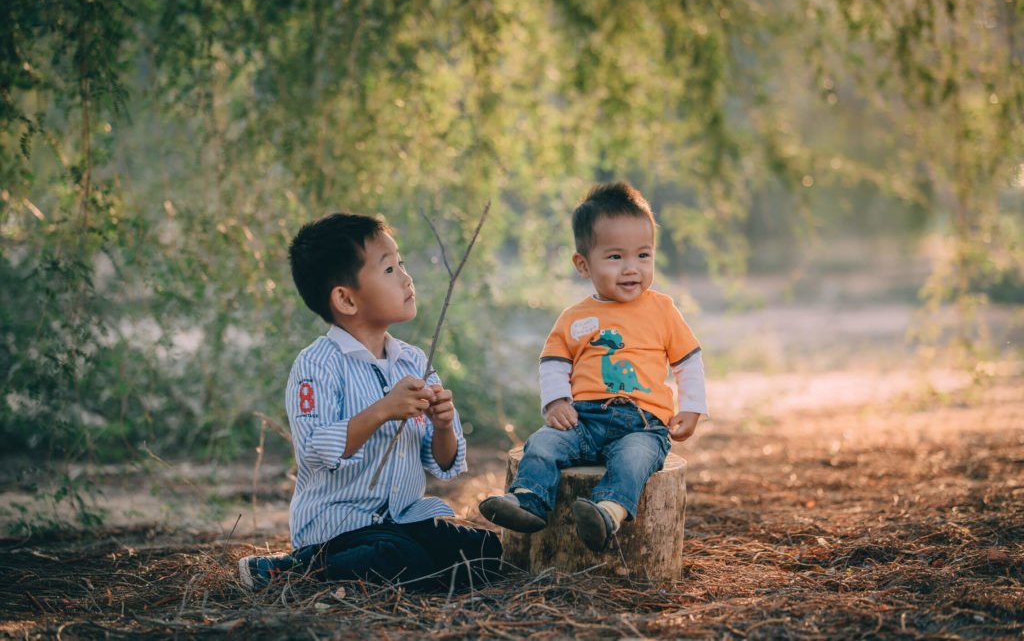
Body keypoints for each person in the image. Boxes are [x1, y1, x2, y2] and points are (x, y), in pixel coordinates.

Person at [238, 213, 502, 591]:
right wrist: (383, 410)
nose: (407, 278)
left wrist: (443, 424)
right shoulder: (317, 365)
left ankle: (395, 566)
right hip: (340, 528)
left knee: (487, 552)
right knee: (396, 559)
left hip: (404, 521)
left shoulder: (413, 362)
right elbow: (316, 450)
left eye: (402, 264)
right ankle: (297, 568)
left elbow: (442, 462)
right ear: (346, 299)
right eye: (390, 269)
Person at [479, 182, 708, 552]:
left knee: (634, 461)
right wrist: (556, 403)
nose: (632, 268)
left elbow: (688, 360)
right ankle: (527, 500)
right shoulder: (576, 317)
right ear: (583, 264)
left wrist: (693, 408)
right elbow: (554, 362)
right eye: (615, 257)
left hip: (643, 423)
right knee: (542, 443)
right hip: (582, 420)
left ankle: (608, 512)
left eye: (643, 256)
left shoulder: (662, 309)